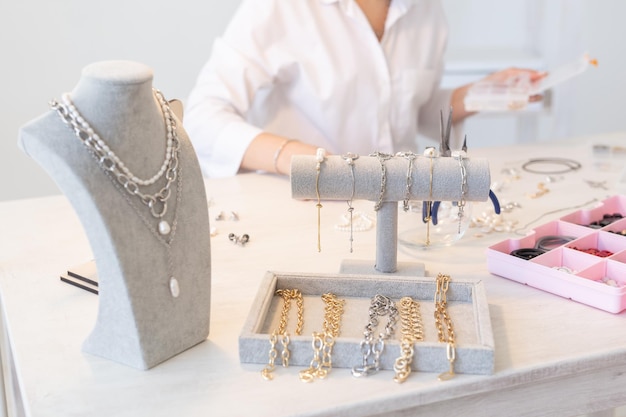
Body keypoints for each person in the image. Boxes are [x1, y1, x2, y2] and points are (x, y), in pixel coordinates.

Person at [185, 0, 544, 178]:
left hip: (399, 201)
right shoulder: (283, 7)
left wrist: (476, 95)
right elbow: (202, 119)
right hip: (306, 206)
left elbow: (406, 112)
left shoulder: (427, 12)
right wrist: (307, 162)